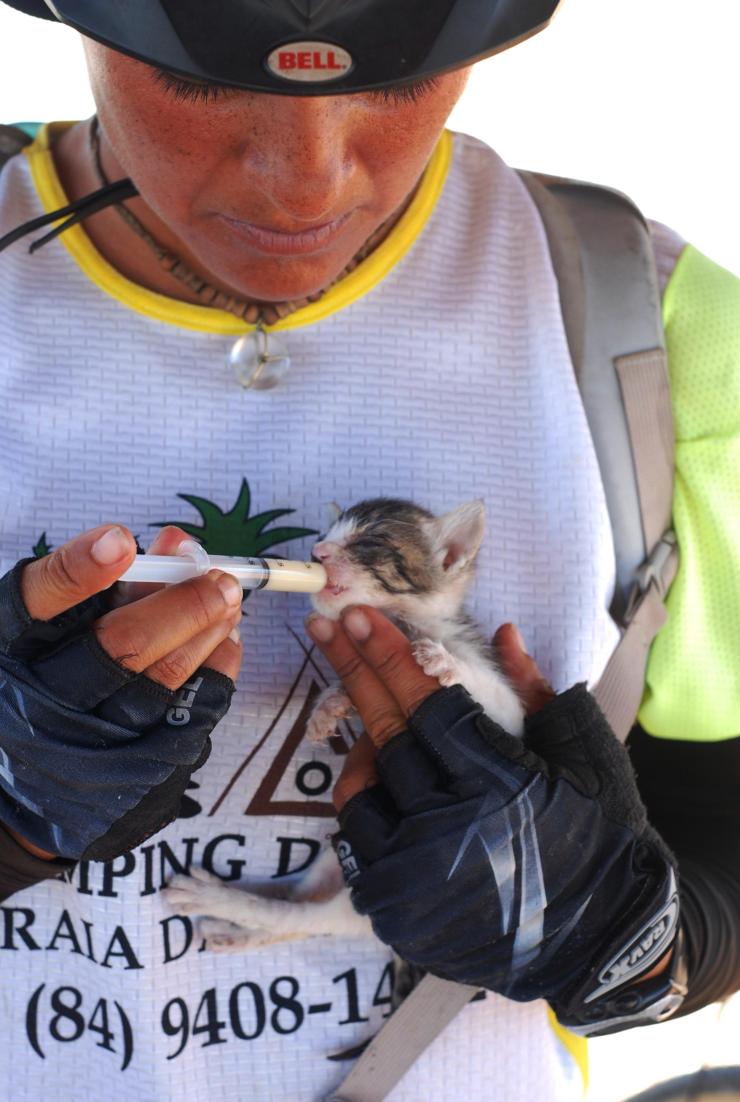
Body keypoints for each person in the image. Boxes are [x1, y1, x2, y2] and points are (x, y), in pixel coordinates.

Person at [0, 2, 738, 1100]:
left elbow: (712, 883)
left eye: (396, 74)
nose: (305, 180)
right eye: (202, 76)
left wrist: (618, 929)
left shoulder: (661, 341)